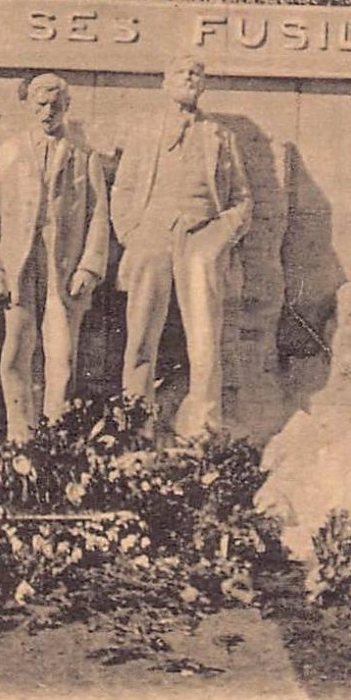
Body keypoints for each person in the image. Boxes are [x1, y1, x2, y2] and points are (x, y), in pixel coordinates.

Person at [109, 56, 252, 439]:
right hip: (152, 235)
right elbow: (121, 190)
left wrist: (219, 236)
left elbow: (242, 200)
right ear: (164, 83)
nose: (189, 78)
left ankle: (204, 423)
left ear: (203, 85)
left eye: (196, 74)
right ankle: (136, 420)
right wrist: (132, 234)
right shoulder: (143, 133)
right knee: (141, 331)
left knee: (205, 335)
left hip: (202, 237)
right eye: (180, 73)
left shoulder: (220, 136)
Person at [0, 73, 111, 443]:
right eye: (40, 104)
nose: (47, 112)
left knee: (61, 353)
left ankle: (54, 437)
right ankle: (20, 435)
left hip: (63, 269)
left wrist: (89, 266)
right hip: (19, 267)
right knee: (16, 352)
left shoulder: (84, 157)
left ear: (66, 107)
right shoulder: (7, 153)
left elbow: (99, 215)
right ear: (28, 105)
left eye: (55, 105)